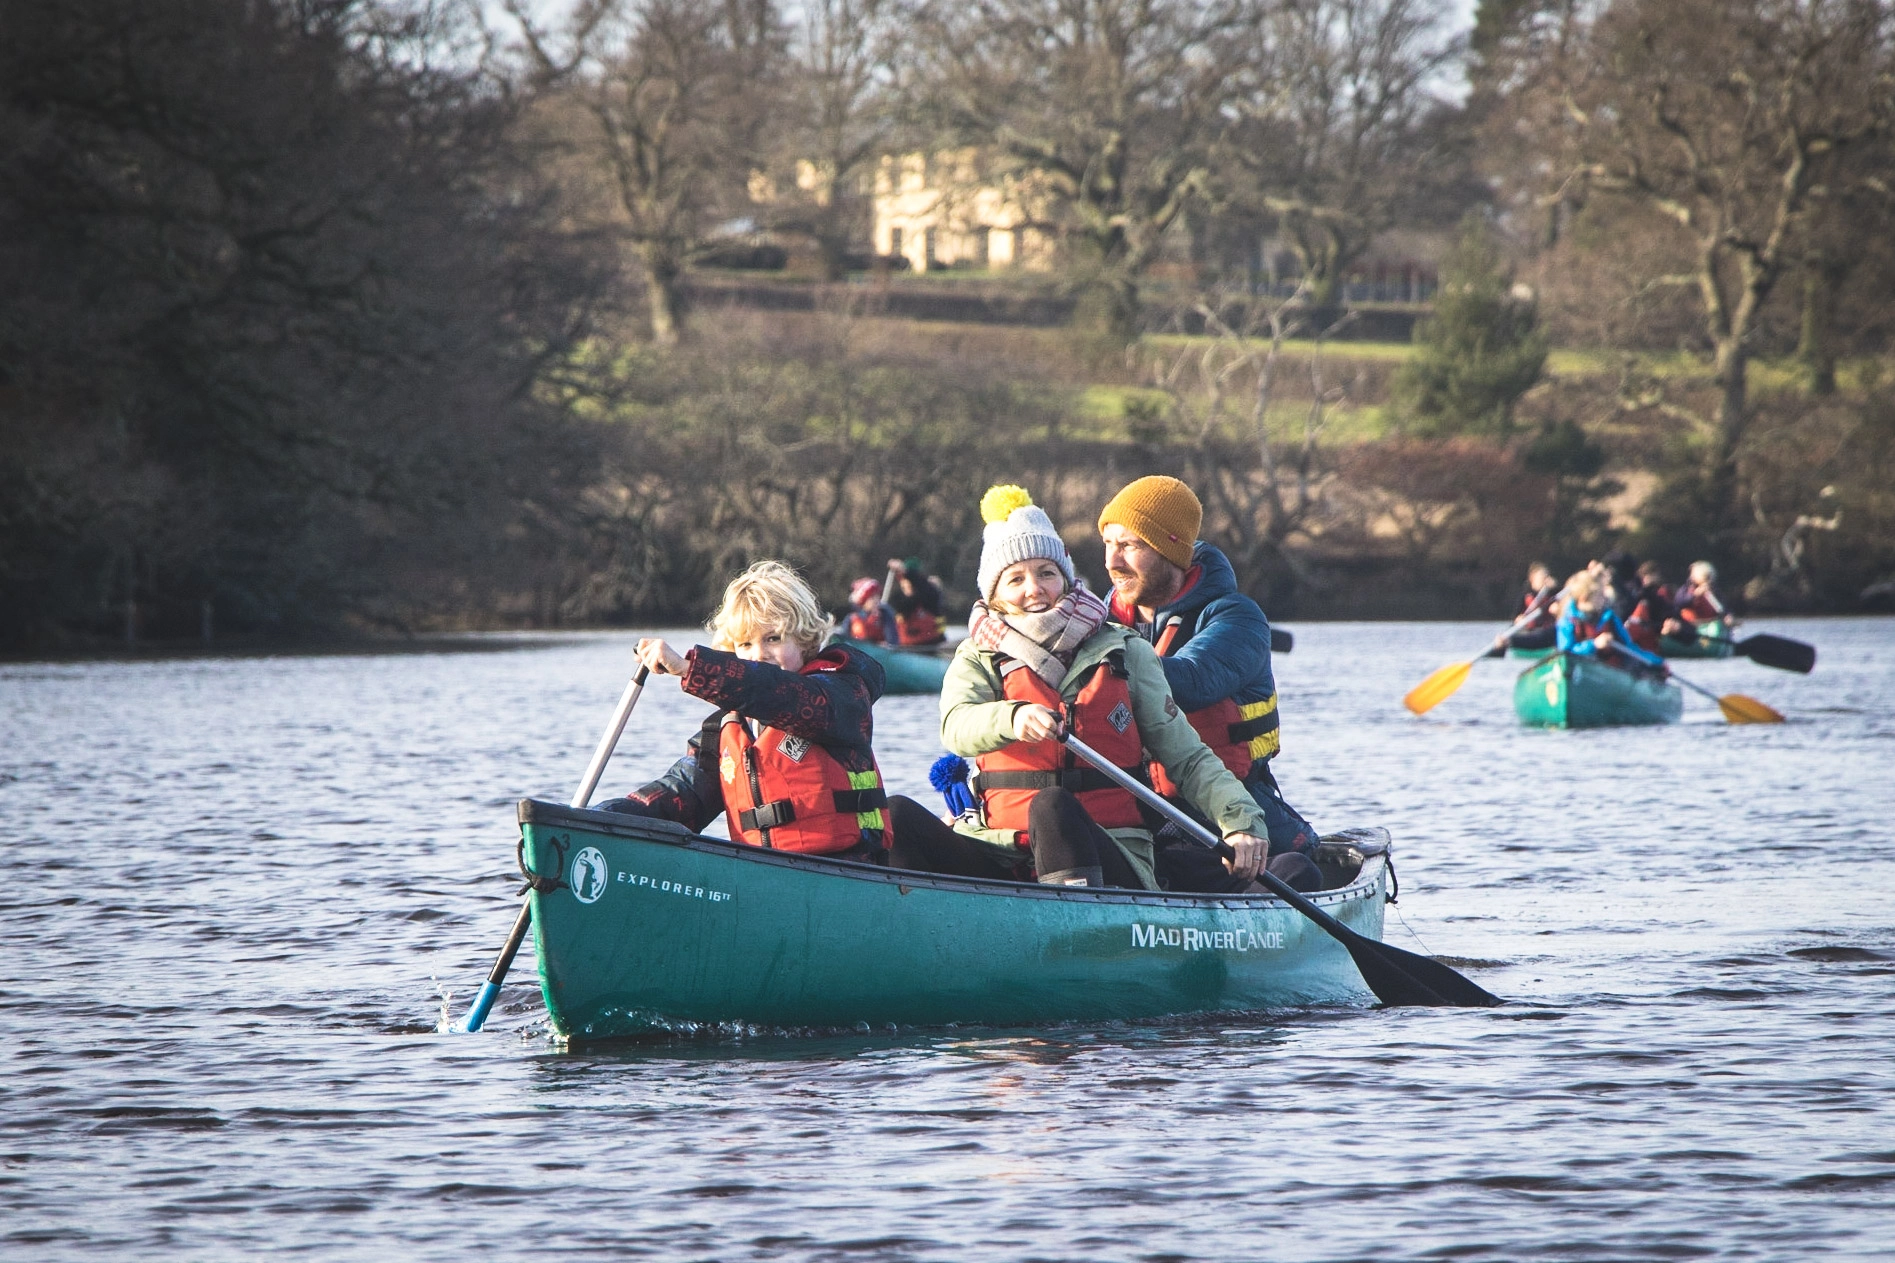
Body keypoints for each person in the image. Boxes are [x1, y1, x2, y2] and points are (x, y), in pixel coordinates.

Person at [884, 484, 1300, 893]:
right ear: (994, 594)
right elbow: (956, 726)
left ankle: (1077, 936)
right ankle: (911, 933)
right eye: (1015, 579)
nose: (1034, 589)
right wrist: (1011, 716)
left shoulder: (1121, 649)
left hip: (1109, 849)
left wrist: (1242, 820)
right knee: (897, 814)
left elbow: (1187, 757)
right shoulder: (976, 655)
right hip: (999, 849)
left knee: (1052, 806)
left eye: (1047, 573)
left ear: (1065, 578)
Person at [1094, 475, 1323, 894]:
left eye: (1130, 545)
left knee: (1296, 874)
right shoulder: (1096, 623)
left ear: (1171, 551)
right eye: (1108, 544)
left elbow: (1193, 681)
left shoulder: (1237, 618)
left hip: (1231, 816)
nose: (1113, 561)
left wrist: (1086, 660)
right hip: (1133, 813)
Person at [595, 561, 890, 862]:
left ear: (805, 641)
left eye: (773, 638)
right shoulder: (726, 728)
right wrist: (600, 820)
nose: (759, 655)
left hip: (848, 867)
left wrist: (690, 668)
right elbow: (682, 794)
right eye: (745, 643)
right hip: (760, 874)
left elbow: (779, 695)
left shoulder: (841, 696)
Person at [1557, 569, 1665, 674]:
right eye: (1599, 595)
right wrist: (1594, 645)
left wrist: (1658, 662)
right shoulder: (1567, 622)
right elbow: (1565, 653)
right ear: (1584, 598)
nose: (1604, 598)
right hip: (1580, 671)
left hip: (1610, 673)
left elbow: (1629, 649)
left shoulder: (1610, 619)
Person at [1491, 561, 1561, 655]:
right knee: (1507, 637)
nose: (1546, 580)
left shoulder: (1553, 593)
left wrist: (1555, 589)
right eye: (1543, 577)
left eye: (1547, 577)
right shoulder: (1525, 594)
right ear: (1532, 578)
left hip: (1546, 632)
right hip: (1529, 632)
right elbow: (1515, 617)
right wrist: (1519, 619)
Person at [1625, 560, 1689, 652]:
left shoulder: (1657, 594)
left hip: (1653, 640)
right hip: (1638, 641)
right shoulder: (1637, 596)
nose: (1658, 577)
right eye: (1655, 575)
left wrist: (1676, 627)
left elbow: (1669, 612)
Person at [885, 556, 948, 646]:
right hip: (904, 647)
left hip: (929, 646)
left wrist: (905, 571)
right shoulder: (897, 599)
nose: (905, 583)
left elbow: (922, 586)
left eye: (908, 580)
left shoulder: (928, 595)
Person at [1675, 561, 1733, 636]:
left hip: (1709, 627)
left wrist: (1728, 615)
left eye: (1709, 578)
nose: (1708, 581)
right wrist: (1695, 595)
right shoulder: (1685, 590)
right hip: (1689, 627)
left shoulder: (1714, 592)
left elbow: (1723, 608)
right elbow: (1679, 604)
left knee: (1721, 628)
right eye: (1706, 577)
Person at [844, 577, 898, 645]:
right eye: (872, 597)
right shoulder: (851, 618)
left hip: (879, 653)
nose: (876, 600)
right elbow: (844, 639)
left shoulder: (884, 614)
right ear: (863, 600)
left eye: (877, 596)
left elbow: (892, 641)